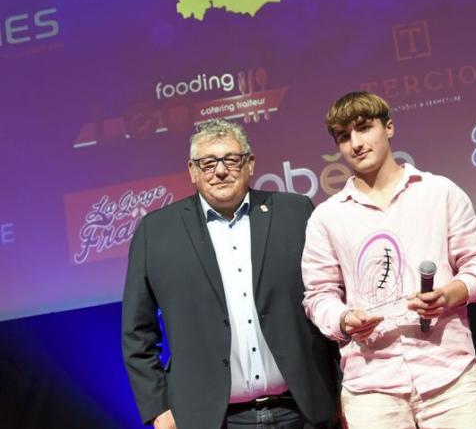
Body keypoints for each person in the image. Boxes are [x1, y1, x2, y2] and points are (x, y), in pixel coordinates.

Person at [122, 119, 339, 429]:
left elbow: (328, 300)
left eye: (231, 160)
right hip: (210, 420)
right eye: (208, 163)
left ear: (250, 164)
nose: (220, 171)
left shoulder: (296, 213)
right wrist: (158, 408)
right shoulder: (155, 233)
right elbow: (136, 333)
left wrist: (345, 387)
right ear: (192, 171)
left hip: (305, 412)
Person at [301, 92, 476, 428]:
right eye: (344, 136)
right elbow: (318, 295)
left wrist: (450, 293)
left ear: (389, 127)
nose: (356, 143)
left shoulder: (439, 193)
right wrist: (345, 318)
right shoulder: (327, 217)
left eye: (364, 129)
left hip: (449, 378)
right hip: (372, 388)